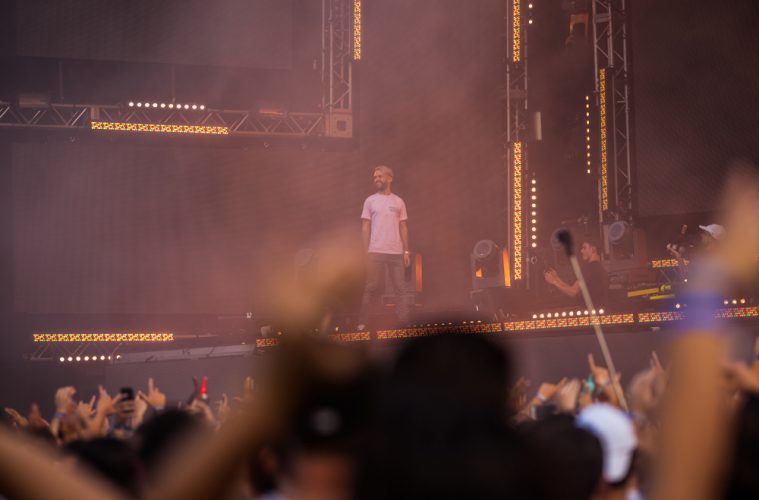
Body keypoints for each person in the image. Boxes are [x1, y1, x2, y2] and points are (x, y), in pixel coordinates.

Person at [357, 166, 411, 330]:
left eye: (380, 176)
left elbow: (403, 227)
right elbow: (365, 227)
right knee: (370, 287)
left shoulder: (399, 201)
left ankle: (404, 323)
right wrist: (366, 251)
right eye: (375, 177)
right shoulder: (370, 200)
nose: (376, 179)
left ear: (389, 178)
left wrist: (406, 251)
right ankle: (362, 323)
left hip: (396, 251)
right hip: (375, 250)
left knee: (400, 289)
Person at [544, 237, 607, 304]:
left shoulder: (588, 268)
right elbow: (572, 288)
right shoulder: (601, 269)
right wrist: (556, 278)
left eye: (584, 248)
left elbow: (573, 292)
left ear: (593, 249)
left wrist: (554, 282)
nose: (581, 251)